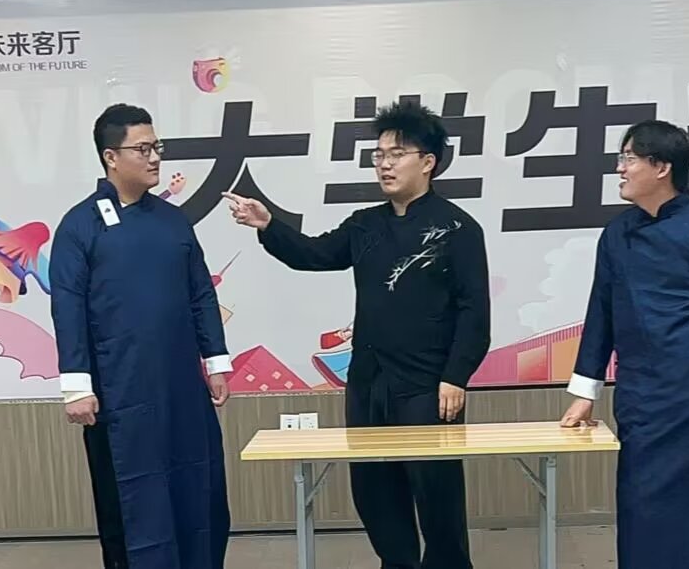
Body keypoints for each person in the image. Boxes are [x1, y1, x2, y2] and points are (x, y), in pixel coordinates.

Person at [224, 100, 491, 569]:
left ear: (428, 162)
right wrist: (268, 226)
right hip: (369, 383)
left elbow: (475, 312)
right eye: (379, 154)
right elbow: (314, 254)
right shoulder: (365, 224)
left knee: (436, 494)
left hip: (427, 385)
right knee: (373, 490)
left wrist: (456, 376)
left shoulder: (458, 228)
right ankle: (398, 563)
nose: (385, 164)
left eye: (397, 154)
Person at [559, 120, 689, 568]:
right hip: (643, 391)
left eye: (629, 158)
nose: (620, 169)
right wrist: (586, 391)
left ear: (661, 167)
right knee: (641, 498)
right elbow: (602, 311)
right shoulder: (616, 234)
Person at [49, 103, 233, 569]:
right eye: (143, 149)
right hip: (119, 392)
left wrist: (216, 361)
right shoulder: (80, 226)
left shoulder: (173, 220)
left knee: (198, 488)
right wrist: (76, 386)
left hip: (181, 387)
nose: (155, 158)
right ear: (111, 157)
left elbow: (200, 293)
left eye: (157, 147)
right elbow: (67, 306)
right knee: (132, 501)